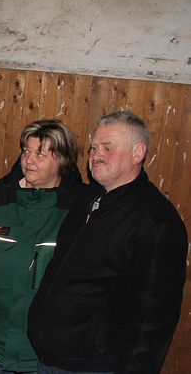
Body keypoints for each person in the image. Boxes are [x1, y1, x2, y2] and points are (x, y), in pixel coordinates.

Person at [28, 111, 188, 374]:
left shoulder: (156, 223)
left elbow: (154, 317)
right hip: (49, 354)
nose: (96, 154)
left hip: (93, 364)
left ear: (138, 153)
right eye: (93, 148)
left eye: (107, 148)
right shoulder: (90, 197)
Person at [0, 120, 86, 374]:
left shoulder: (80, 208)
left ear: (62, 160)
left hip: (43, 348)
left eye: (40, 154)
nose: (29, 160)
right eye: (26, 152)